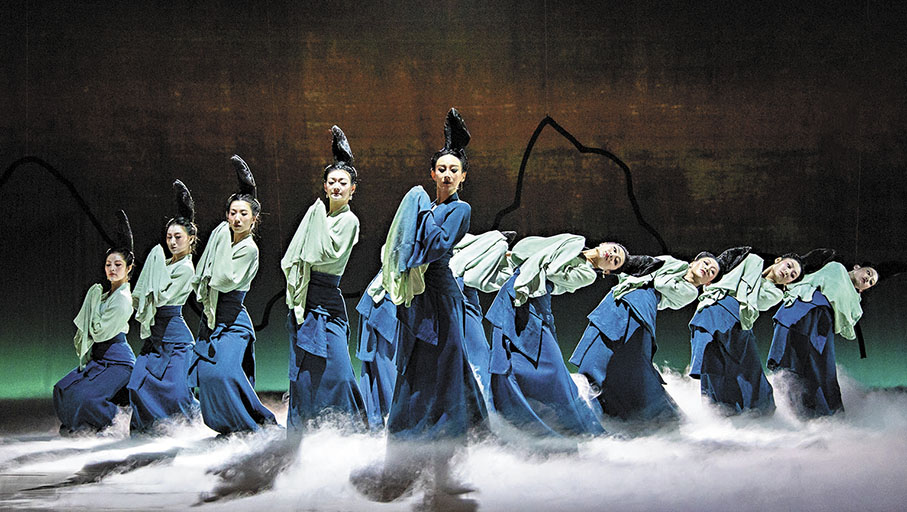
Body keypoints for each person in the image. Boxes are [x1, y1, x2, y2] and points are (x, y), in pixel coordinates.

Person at [353, 108, 486, 502]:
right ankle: (406, 456)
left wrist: (419, 213)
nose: (446, 175)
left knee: (444, 377)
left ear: (463, 177)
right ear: (432, 174)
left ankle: (445, 463)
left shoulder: (459, 210)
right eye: (441, 169)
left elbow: (435, 246)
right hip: (417, 300)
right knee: (413, 374)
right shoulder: (425, 207)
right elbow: (401, 247)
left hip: (442, 302)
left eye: (453, 170)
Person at [484, 236, 623, 441]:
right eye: (615, 250)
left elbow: (552, 271)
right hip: (515, 291)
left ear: (607, 271)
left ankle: (583, 428)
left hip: (535, 301)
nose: (612, 256)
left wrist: (561, 249)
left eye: (615, 262)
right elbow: (524, 249)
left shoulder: (587, 273)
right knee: (509, 361)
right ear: (605, 245)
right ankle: (511, 418)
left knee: (555, 369)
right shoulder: (570, 244)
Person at [281, 126, 367, 433]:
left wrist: (315, 219)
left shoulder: (348, 220)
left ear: (352, 189)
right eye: (332, 182)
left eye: (343, 182)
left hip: (327, 299)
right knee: (305, 371)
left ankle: (349, 427)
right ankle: (307, 429)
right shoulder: (318, 215)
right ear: (325, 186)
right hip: (306, 298)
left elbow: (324, 255)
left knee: (339, 371)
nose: (337, 187)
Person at [570, 253, 717, 426]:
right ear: (694, 262)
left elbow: (661, 283)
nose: (707, 268)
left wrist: (669, 266)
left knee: (631, 362)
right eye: (706, 263)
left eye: (712, 271)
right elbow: (635, 266)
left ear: (708, 283)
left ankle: (662, 420)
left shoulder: (690, 291)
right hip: (616, 300)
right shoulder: (671, 263)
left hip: (641, 307)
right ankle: (588, 409)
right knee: (596, 355)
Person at [188, 155, 277, 434]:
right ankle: (229, 426)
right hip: (213, 319)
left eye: (244, 214)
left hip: (234, 321)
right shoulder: (222, 239)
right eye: (233, 213)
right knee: (208, 373)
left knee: (224, 372)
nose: (237, 218)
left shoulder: (248, 249)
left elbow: (224, 280)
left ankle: (253, 423)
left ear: (254, 219)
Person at [688, 248, 803, 414]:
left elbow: (751, 301)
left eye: (792, 275)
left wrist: (744, 279)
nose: (788, 272)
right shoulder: (750, 261)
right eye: (789, 266)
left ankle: (760, 415)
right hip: (713, 310)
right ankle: (720, 413)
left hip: (738, 323)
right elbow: (716, 276)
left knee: (750, 375)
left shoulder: (774, 293)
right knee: (714, 369)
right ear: (778, 260)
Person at [53, 210, 137, 435]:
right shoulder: (104, 294)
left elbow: (99, 332)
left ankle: (117, 424)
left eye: (118, 264)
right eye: (108, 264)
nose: (112, 269)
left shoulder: (123, 299)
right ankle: (81, 425)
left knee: (87, 398)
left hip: (118, 361)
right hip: (100, 359)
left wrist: (93, 297)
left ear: (129, 268)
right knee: (63, 389)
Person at [128, 180, 200, 434]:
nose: (172, 242)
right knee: (137, 385)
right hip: (157, 336)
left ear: (190, 239)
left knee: (178, 393)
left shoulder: (186, 268)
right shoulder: (164, 263)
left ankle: (188, 429)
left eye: (178, 237)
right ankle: (149, 430)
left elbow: (162, 299)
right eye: (169, 237)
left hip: (175, 338)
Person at [768, 251, 876, 418]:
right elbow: (812, 277)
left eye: (871, 282)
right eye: (868, 273)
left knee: (822, 370)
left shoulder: (856, 303)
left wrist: (853, 298)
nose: (868, 279)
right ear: (857, 267)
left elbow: (847, 326)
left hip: (823, 324)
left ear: (864, 289)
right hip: (805, 304)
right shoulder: (836, 268)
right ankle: (796, 411)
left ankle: (827, 417)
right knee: (791, 359)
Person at [449, 230, 515, 406]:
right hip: (455, 301)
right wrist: (499, 241)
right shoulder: (457, 258)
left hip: (462, 301)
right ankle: (484, 404)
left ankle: (485, 404)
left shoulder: (464, 256)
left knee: (478, 356)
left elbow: (488, 281)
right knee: (476, 356)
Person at [356, 270, 399, 430]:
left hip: (389, 298)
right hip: (387, 302)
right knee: (387, 367)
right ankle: (391, 420)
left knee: (382, 367)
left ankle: (382, 421)